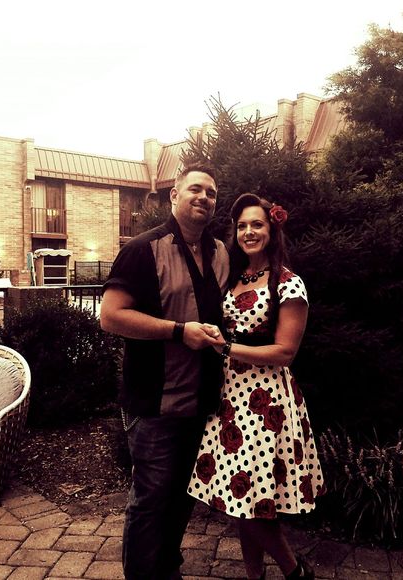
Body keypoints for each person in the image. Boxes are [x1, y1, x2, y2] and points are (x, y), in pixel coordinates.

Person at [100, 163, 229, 580]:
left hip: (202, 401)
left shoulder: (220, 252)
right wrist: (178, 331)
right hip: (154, 402)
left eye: (211, 193)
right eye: (195, 189)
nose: (204, 197)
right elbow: (111, 317)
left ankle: (167, 569)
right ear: (174, 195)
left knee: (183, 496)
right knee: (151, 499)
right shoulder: (142, 249)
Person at [188, 193, 324, 579]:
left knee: (251, 500)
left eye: (257, 225)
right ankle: (255, 576)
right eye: (242, 226)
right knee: (241, 499)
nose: (249, 232)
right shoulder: (232, 277)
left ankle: (295, 572)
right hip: (230, 397)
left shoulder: (289, 284)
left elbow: (285, 352)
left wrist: (227, 348)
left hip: (266, 403)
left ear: (272, 229)